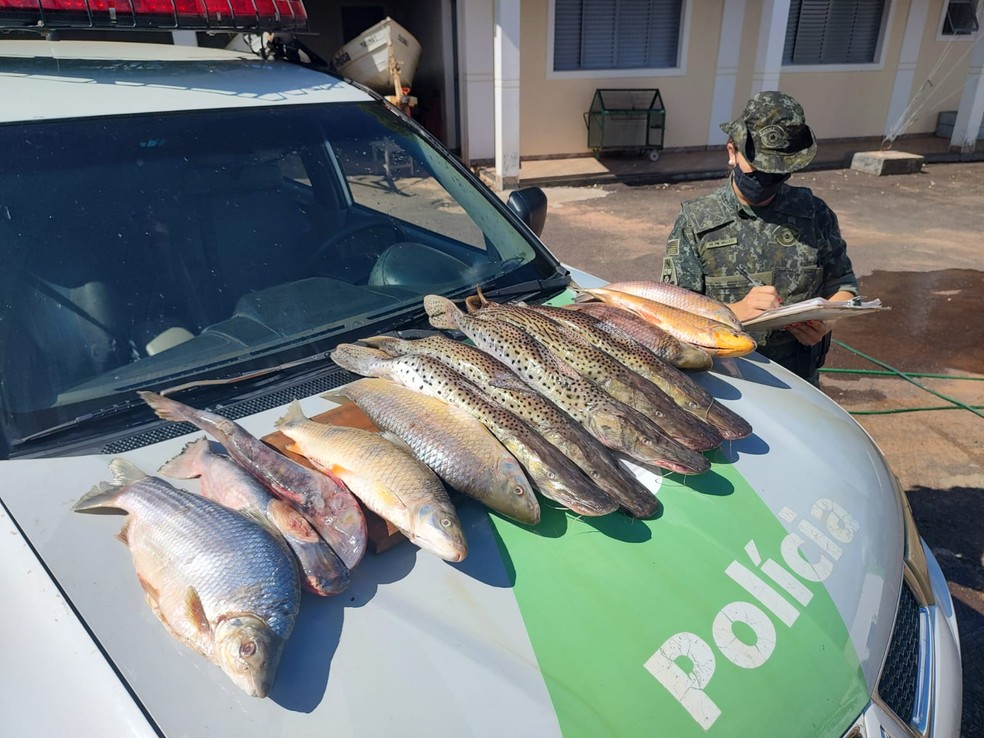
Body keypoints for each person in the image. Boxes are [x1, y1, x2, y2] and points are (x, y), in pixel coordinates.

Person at [661, 90, 858, 385]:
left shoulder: (814, 214)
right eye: (758, 168)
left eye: (776, 173)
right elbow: (672, 314)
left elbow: (843, 284)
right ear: (732, 152)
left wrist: (827, 319)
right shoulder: (697, 222)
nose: (765, 180)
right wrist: (735, 312)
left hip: (800, 380)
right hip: (724, 382)